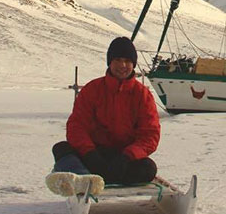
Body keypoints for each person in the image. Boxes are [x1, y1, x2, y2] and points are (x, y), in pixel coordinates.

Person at [50, 37, 160, 186]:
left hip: (123, 157)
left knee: (148, 168)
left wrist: (128, 156)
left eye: (127, 61)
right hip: (94, 153)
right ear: (110, 62)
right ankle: (85, 179)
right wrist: (90, 154)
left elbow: (150, 135)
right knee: (61, 149)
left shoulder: (143, 95)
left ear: (133, 64)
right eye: (118, 60)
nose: (122, 65)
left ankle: (87, 177)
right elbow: (77, 126)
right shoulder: (92, 89)